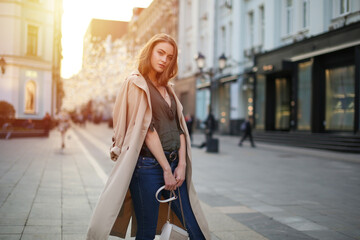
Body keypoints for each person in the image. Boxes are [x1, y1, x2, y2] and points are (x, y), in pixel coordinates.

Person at [86, 34, 210, 240]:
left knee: (195, 227)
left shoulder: (168, 88)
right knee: (146, 231)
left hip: (174, 166)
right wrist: (165, 169)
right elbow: (146, 131)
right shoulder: (136, 83)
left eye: (170, 57)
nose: (164, 59)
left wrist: (181, 166)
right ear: (149, 52)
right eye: (160, 53)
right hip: (146, 168)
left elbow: (179, 128)